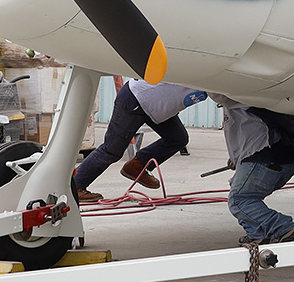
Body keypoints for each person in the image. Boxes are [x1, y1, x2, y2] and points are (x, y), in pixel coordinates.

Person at [72, 79, 207, 202]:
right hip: (136, 98)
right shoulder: (208, 71)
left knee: (177, 138)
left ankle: (137, 166)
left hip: (156, 108)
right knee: (112, 149)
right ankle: (76, 186)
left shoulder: (217, 82)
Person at [213, 95, 294, 244]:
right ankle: (257, 233)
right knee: (237, 185)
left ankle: (282, 227)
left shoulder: (240, 96)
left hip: (265, 160)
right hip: (283, 160)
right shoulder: (260, 100)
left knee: (239, 200)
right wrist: (239, 159)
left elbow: (217, 93)